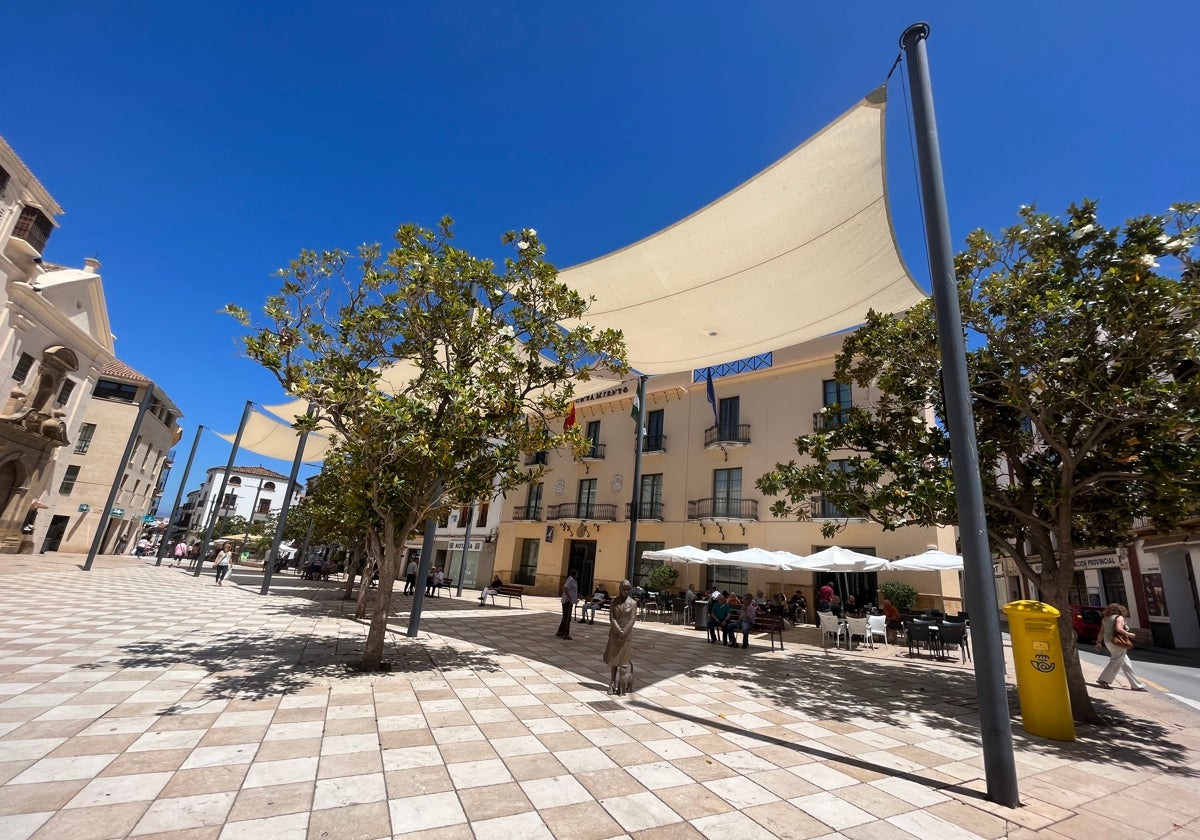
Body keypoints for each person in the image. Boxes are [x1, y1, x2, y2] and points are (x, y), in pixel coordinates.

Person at [1095, 603, 1147, 691]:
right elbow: (1118, 629)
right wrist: (1129, 634)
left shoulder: (1105, 619)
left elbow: (1101, 632)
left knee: (1126, 664)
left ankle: (1136, 685)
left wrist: (1099, 642)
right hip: (1117, 642)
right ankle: (1103, 679)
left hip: (1108, 642)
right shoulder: (1119, 617)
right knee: (1115, 661)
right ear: (1120, 610)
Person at [603, 580, 637, 692]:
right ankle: (612, 683)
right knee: (613, 660)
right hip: (615, 634)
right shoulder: (614, 601)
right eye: (624, 589)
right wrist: (618, 630)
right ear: (620, 589)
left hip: (626, 636)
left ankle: (621, 686)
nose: (626, 591)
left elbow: (632, 619)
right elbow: (611, 617)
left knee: (623, 662)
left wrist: (624, 631)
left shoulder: (633, 603)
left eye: (628, 589)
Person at [556, 570, 579, 640]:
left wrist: (578, 595)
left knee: (566, 617)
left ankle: (560, 631)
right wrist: (569, 597)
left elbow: (573, 590)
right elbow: (565, 588)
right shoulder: (570, 580)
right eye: (577, 574)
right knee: (567, 618)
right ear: (575, 574)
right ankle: (565, 634)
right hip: (567, 601)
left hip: (571, 601)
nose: (577, 575)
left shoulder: (573, 580)